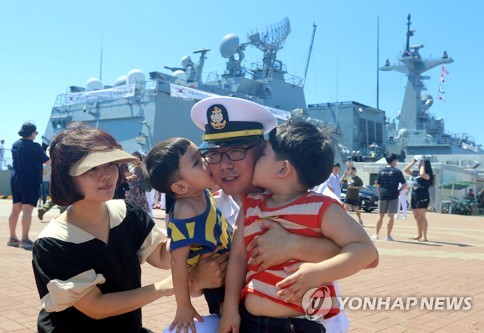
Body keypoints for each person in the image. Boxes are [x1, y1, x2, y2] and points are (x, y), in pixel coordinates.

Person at [191, 96, 377, 332]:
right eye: (215, 154)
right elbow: (189, 278)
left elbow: (369, 256)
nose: (224, 165)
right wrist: (196, 279)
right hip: (244, 320)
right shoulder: (208, 211)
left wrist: (294, 245)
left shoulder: (315, 198)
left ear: (261, 151)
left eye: (236, 151)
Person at [32, 123, 226, 333]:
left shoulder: (126, 212)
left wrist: (195, 232)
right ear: (66, 178)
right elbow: (96, 307)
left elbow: (161, 255)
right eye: (92, 169)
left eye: (110, 164)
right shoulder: (53, 242)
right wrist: (184, 281)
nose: (106, 175)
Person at [145, 138, 231, 333]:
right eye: (196, 162)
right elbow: (177, 262)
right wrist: (183, 306)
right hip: (218, 286)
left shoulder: (202, 192)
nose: (206, 162)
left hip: (226, 268)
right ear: (181, 187)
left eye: (201, 155)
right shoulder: (186, 211)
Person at [8, 122, 49, 249]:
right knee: (27, 210)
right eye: (35, 133)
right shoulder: (35, 146)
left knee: (15, 210)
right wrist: (48, 151)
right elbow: (48, 161)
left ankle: (12, 237)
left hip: (15, 179)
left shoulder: (15, 144)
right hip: (30, 181)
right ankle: (25, 239)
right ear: (32, 133)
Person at [371, 153, 407, 241]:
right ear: (394, 161)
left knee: (380, 215)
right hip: (393, 195)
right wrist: (399, 191)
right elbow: (405, 184)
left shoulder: (381, 171)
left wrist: (379, 194)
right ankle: (388, 236)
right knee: (391, 216)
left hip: (383, 195)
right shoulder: (397, 172)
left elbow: (378, 185)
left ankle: (376, 234)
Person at [403, 157, 434, 241]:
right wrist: (413, 162)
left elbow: (422, 175)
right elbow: (405, 170)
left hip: (423, 196)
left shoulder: (428, 174)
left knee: (422, 217)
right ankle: (419, 234)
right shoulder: (415, 173)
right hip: (414, 196)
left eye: (421, 163)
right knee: (416, 217)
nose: (419, 164)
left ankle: (424, 236)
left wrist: (423, 165)